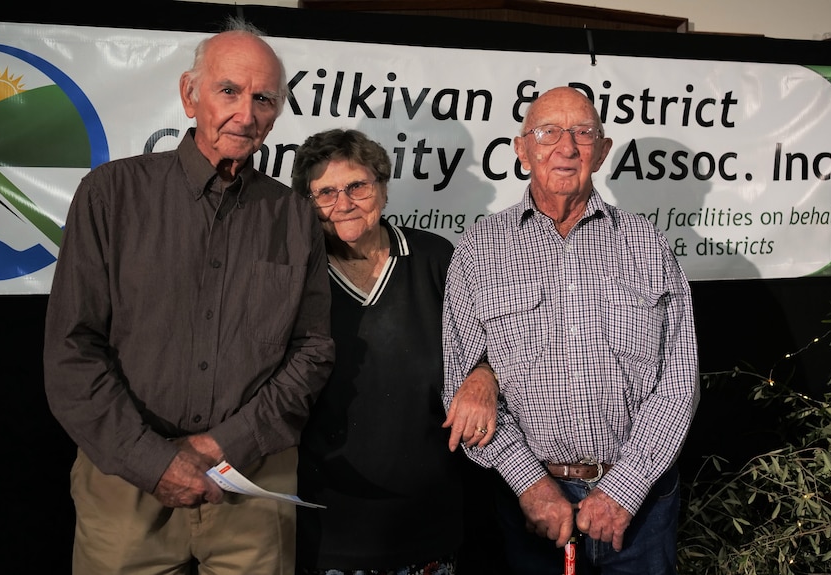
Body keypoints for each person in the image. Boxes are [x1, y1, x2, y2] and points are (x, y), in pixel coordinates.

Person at [43, 18, 335, 575]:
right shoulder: (111, 195)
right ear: (189, 94)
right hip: (123, 483)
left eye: (264, 99)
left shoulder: (294, 216)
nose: (245, 114)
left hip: (251, 483)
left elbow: (312, 349)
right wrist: (153, 460)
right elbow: (71, 350)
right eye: (229, 91)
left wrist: (223, 444)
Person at [442, 86, 700, 574]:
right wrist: (531, 487)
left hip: (642, 507)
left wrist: (624, 489)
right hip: (532, 511)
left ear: (601, 152)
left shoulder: (648, 244)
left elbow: (679, 382)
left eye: (583, 133)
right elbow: (461, 391)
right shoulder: (479, 249)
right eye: (548, 132)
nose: (567, 147)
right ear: (521, 150)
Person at [290, 128, 498, 575]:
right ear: (306, 205)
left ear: (382, 187)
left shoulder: (435, 257)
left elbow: (491, 343)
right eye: (324, 192)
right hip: (327, 528)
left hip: (427, 520)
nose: (342, 203)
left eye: (357, 186)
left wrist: (483, 376)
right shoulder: (295, 276)